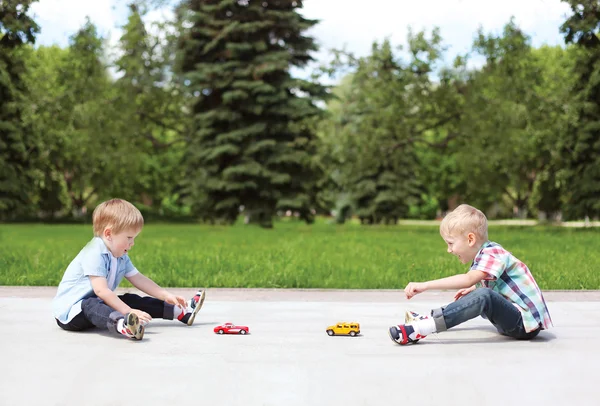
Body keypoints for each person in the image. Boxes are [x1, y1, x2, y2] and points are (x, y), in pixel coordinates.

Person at [389, 204, 552, 345]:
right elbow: (496, 282)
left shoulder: (492, 253)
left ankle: (422, 328)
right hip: (515, 320)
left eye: (451, 243)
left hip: (524, 324)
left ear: (470, 239)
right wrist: (476, 288)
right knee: (478, 294)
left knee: (484, 296)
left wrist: (425, 285)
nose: (449, 250)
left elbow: (467, 279)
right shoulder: (485, 255)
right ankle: (429, 318)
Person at [53, 198, 206, 340]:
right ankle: (124, 324)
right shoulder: (94, 252)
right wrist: (128, 312)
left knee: (128, 299)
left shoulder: (120, 256)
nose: (132, 243)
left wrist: (166, 295)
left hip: (97, 307)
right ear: (109, 234)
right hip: (71, 314)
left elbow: (139, 279)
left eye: (134, 238)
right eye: (129, 238)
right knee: (92, 304)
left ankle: (181, 311)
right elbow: (102, 291)